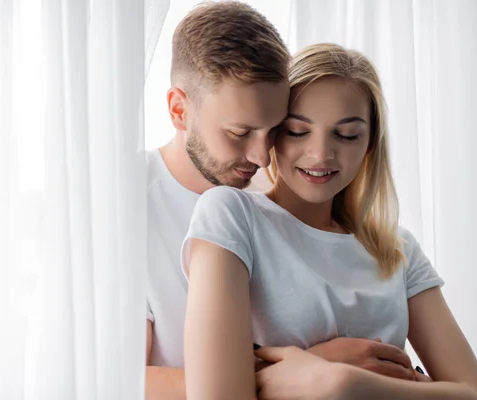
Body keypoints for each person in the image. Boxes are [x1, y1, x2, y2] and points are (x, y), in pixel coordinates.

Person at [182, 43, 477, 400]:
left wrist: (347, 384)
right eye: (298, 131)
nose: (320, 154)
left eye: (346, 136)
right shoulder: (232, 215)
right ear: (272, 134)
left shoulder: (398, 250)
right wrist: (339, 380)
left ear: (369, 145)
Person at [146, 2, 423, 399]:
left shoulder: (291, 188)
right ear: (178, 110)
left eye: (276, 129)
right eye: (240, 132)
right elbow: (106, 380)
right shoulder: (128, 208)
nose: (262, 157)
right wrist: (318, 369)